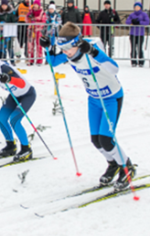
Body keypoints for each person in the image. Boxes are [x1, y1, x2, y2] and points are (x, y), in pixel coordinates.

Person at [40, 22, 136, 190]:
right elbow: (53, 62)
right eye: (61, 48)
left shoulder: (90, 50)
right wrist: (48, 48)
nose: (64, 53)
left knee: (107, 139)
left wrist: (93, 52)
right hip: (94, 99)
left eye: (66, 48)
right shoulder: (70, 54)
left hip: (111, 98)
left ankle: (127, 168)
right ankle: (112, 164)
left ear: (77, 44)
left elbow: (114, 69)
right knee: (96, 141)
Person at [0, 0, 17, 65]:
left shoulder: (10, 12)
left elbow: (13, 21)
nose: (4, 6)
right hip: (0, 33)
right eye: (2, 5)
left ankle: (12, 61)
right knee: (0, 46)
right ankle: (0, 59)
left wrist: (8, 27)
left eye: (5, 5)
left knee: (9, 47)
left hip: (8, 32)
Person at [126, 2, 149, 68]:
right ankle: (133, 61)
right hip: (133, 34)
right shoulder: (132, 14)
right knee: (133, 48)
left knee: (139, 48)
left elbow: (147, 22)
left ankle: (141, 61)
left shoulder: (144, 14)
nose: (137, 8)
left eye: (138, 7)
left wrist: (139, 22)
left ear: (140, 8)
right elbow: (127, 21)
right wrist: (132, 21)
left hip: (140, 34)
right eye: (135, 7)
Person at [26, 0, 46, 66]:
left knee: (39, 45)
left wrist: (35, 22)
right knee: (30, 45)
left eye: (36, 5)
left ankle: (39, 60)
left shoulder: (42, 12)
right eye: (34, 5)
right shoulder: (31, 11)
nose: (35, 6)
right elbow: (26, 20)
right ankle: (30, 60)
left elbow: (43, 22)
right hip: (31, 30)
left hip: (38, 30)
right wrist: (28, 16)